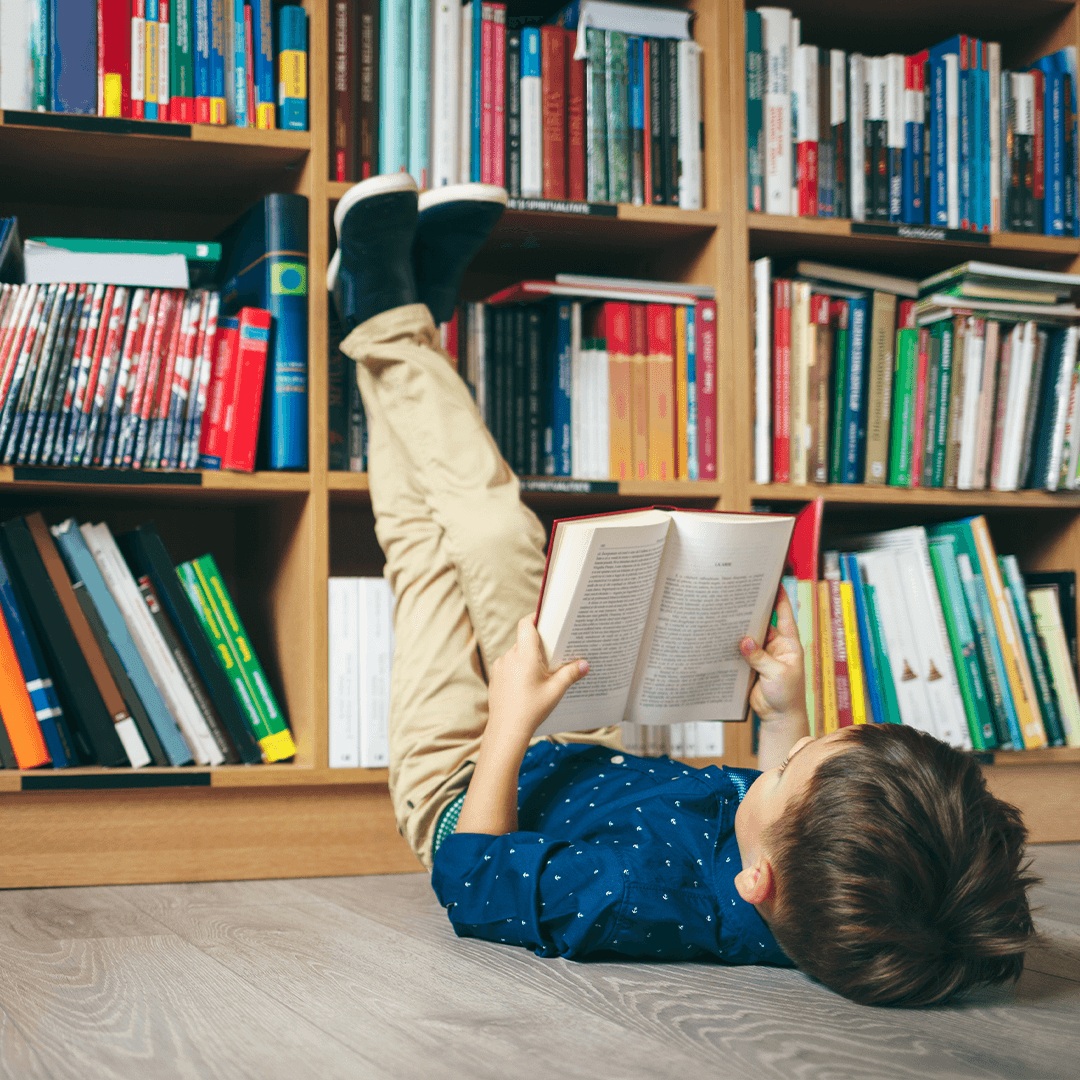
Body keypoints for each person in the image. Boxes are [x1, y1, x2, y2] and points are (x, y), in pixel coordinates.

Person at [331, 174, 1039, 1008]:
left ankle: (389, 315)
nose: (766, 774)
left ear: (756, 882)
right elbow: (792, 812)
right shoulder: (820, 882)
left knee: (431, 547)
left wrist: (510, 722)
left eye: (783, 771)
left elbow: (475, 881)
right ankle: (389, 316)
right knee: (487, 531)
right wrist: (786, 720)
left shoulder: (630, 903)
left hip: (460, 778)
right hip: (573, 736)